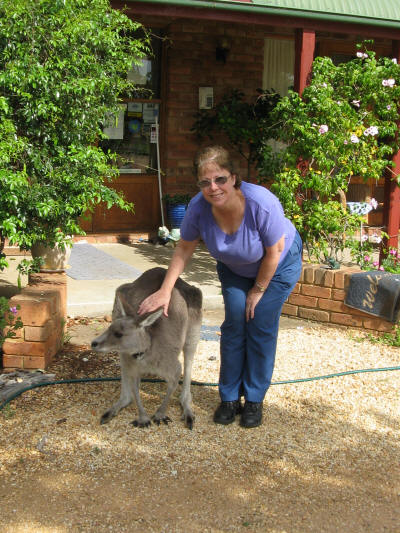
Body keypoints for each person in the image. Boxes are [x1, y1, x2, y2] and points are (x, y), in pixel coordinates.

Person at [138, 145, 302, 428]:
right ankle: (228, 397)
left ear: (234, 177)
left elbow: (274, 251)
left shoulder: (261, 203)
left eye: (220, 179)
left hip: (276, 266)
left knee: (260, 323)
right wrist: (165, 290)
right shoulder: (198, 208)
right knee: (235, 323)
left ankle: (253, 399)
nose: (213, 188)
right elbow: (184, 248)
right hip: (235, 268)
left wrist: (258, 289)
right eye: (205, 182)